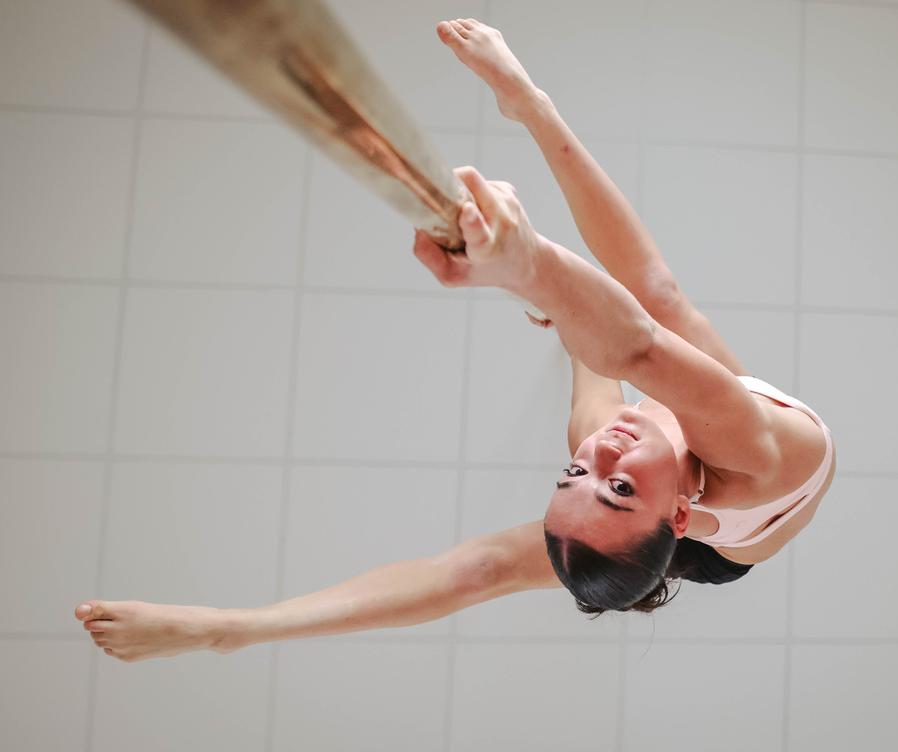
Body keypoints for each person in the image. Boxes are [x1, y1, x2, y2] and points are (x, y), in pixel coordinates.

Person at [73, 18, 835, 662]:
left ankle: (229, 634)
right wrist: (527, 124)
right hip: (738, 530)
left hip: (644, 518)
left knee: (489, 558)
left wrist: (549, 289)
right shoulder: (758, 462)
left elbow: (463, 569)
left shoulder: (602, 435)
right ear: (673, 519)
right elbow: (644, 321)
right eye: (619, 485)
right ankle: (567, 318)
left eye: (573, 475)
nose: (600, 455)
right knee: (655, 315)